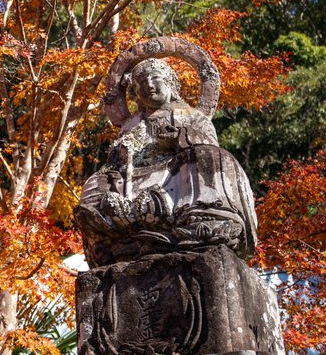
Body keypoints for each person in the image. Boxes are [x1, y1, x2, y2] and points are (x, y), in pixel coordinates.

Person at [74, 58, 257, 267]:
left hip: (176, 171)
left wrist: (182, 138)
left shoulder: (192, 115)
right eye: (141, 83)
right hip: (135, 176)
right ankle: (102, 233)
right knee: (96, 181)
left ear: (170, 82)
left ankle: (202, 218)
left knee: (210, 158)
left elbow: (208, 143)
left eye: (154, 78)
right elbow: (116, 159)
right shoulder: (131, 124)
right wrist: (119, 157)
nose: (149, 85)